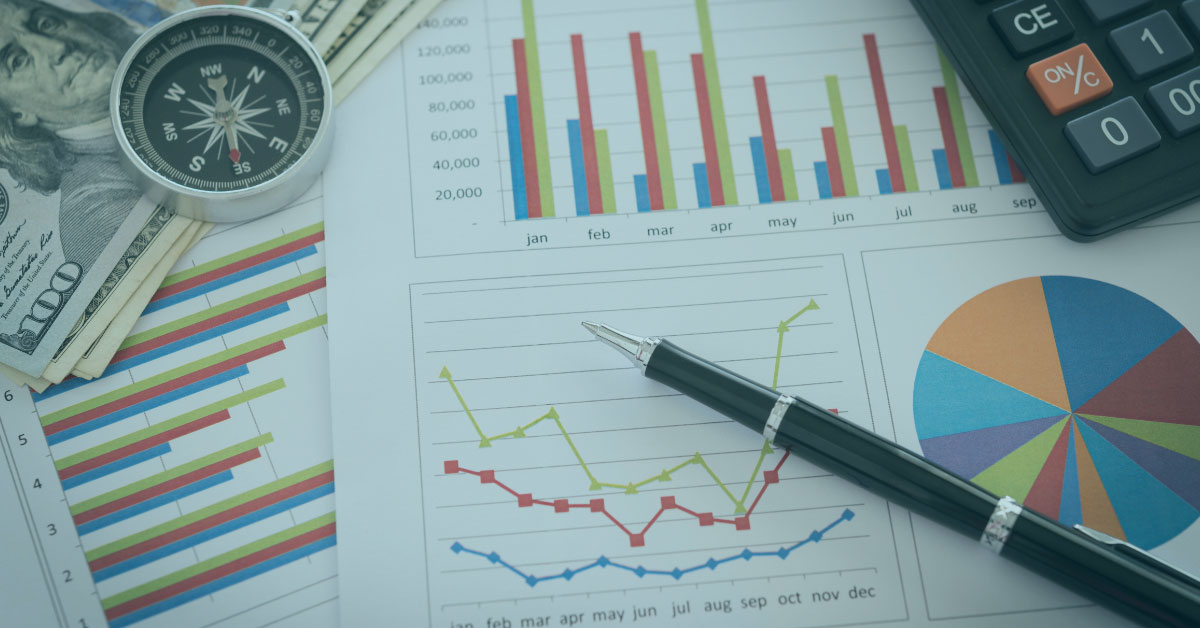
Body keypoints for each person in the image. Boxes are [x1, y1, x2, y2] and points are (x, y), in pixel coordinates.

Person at [0, 0, 144, 272]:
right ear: (16, 114)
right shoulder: (96, 211)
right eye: (17, 62)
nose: (58, 47)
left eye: (46, 23)